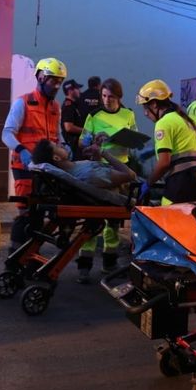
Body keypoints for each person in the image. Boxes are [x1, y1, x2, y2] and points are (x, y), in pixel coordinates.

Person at [1, 57, 67, 252]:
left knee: (39, 215)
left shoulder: (55, 107)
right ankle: (15, 258)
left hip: (46, 168)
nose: (57, 86)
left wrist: (64, 147)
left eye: (60, 82)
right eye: (53, 81)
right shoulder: (23, 103)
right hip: (24, 167)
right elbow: (7, 133)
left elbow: (57, 135)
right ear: (40, 77)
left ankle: (30, 257)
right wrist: (22, 151)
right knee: (26, 214)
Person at [76, 78, 137, 283]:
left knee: (114, 219)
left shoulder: (128, 114)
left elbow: (135, 140)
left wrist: (128, 141)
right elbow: (82, 143)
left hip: (120, 172)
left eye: (110, 96)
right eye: (103, 96)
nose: (106, 100)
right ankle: (84, 266)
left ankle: (109, 263)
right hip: (100, 172)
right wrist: (93, 142)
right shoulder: (94, 116)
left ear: (119, 97)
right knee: (93, 218)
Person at [137, 79, 196, 205]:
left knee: (166, 216)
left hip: (181, 184)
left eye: (145, 107)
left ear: (154, 104)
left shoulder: (163, 123)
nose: (145, 113)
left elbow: (164, 163)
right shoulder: (183, 118)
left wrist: (148, 183)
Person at [32, 139, 136, 190]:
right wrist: (103, 152)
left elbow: (100, 171)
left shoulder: (76, 166)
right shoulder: (87, 174)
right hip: (136, 191)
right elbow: (130, 175)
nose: (62, 145)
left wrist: (96, 154)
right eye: (57, 146)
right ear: (56, 158)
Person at [60, 79, 85, 158]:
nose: (79, 91)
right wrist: (86, 131)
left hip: (76, 144)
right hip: (73, 145)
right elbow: (68, 127)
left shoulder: (74, 105)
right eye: (77, 89)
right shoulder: (68, 106)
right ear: (70, 91)